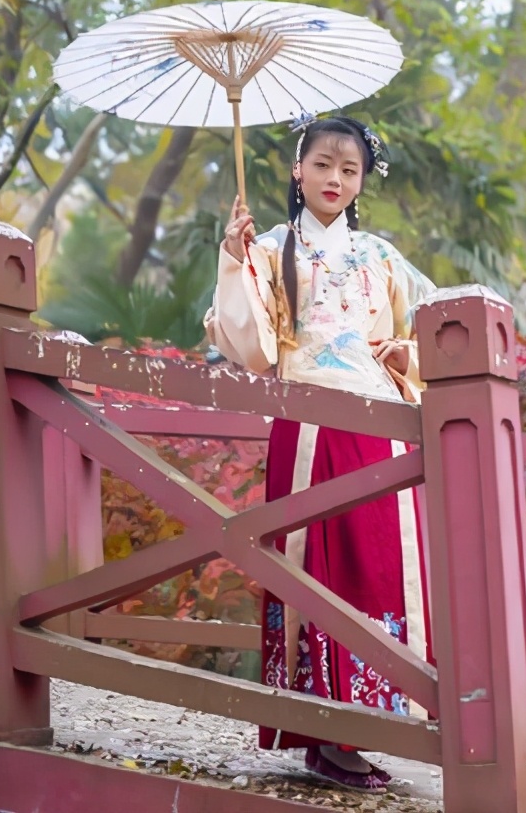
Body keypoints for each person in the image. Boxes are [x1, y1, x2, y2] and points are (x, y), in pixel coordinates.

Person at [203, 115, 437, 791]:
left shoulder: (381, 258)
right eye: (323, 164)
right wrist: (235, 258)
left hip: (377, 428)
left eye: (349, 169)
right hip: (306, 427)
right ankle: (325, 731)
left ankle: (367, 721)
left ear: (362, 181)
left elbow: (431, 325)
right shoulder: (272, 248)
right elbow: (251, 347)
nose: (335, 178)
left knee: (376, 571)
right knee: (318, 575)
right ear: (296, 171)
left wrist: (405, 352)